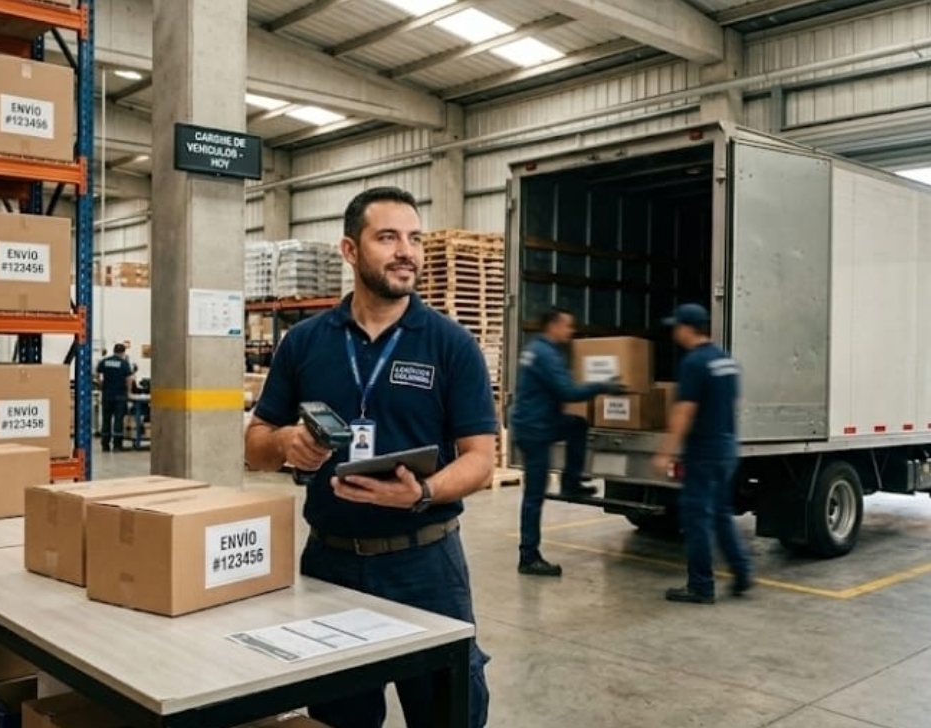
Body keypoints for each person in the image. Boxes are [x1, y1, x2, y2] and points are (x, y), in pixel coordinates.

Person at [245, 186, 495, 728]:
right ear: (350, 251)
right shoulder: (305, 343)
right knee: (339, 717)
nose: (406, 251)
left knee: (448, 710)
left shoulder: (451, 345)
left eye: (414, 239)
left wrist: (423, 492)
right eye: (388, 237)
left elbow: (481, 458)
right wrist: (286, 443)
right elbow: (255, 442)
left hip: (425, 564)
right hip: (330, 566)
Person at [510, 307, 625, 577]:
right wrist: (603, 386)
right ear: (552, 326)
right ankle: (529, 556)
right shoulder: (546, 354)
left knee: (576, 426)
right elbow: (568, 392)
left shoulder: (535, 349)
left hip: (534, 423)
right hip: (536, 429)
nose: (570, 331)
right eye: (567, 326)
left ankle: (571, 481)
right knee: (534, 495)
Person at [653, 303, 753, 604]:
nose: (674, 332)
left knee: (696, 518)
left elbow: (685, 410)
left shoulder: (694, 363)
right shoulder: (726, 361)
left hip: (703, 451)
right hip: (726, 449)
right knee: (721, 514)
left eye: (676, 327)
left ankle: (700, 585)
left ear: (687, 328)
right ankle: (742, 573)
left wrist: (665, 452)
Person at [95, 343, 133, 453]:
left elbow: (97, 374)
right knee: (118, 420)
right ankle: (117, 446)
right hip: (120, 395)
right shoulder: (124, 363)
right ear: (123, 352)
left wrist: (101, 384)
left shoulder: (105, 361)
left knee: (106, 419)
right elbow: (129, 379)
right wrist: (129, 392)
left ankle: (105, 445)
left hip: (107, 395)